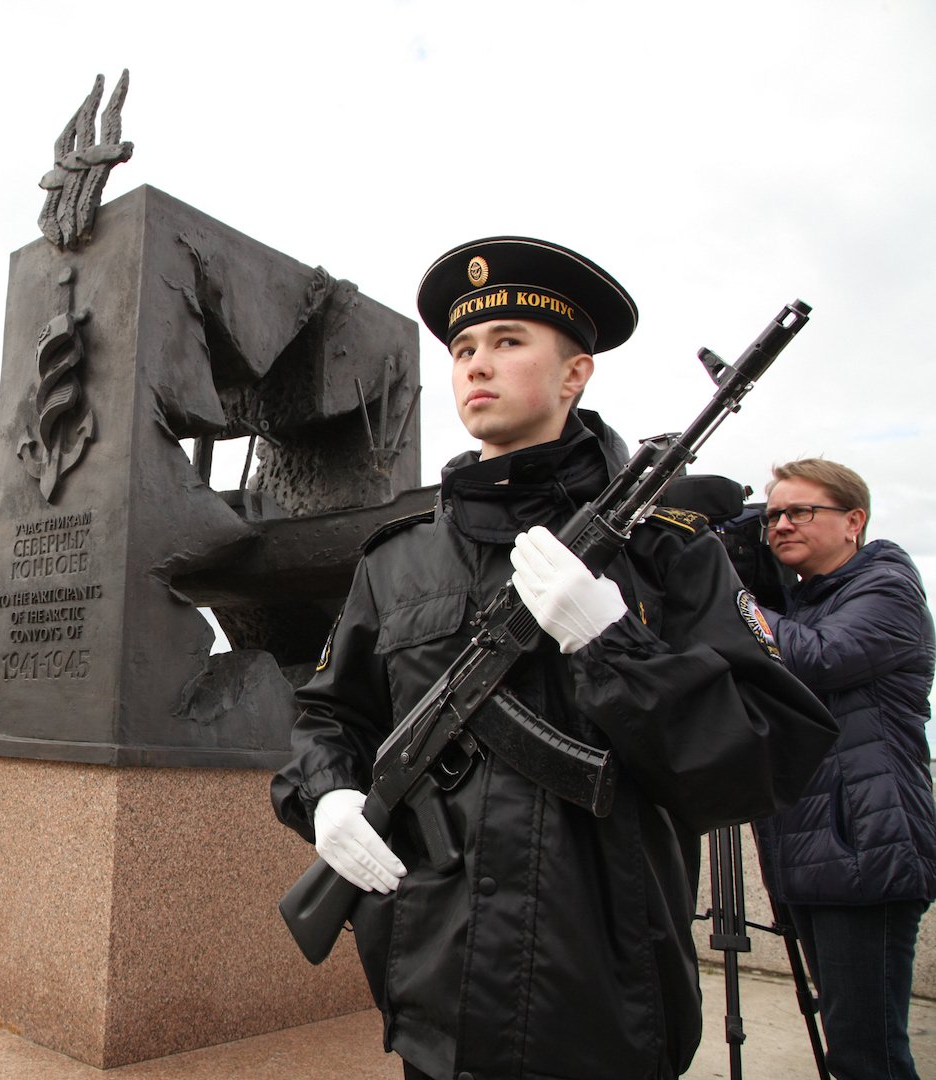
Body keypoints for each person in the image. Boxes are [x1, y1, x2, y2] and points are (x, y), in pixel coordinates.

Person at [270, 236, 838, 1080]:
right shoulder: (396, 560)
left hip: (604, 1002)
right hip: (434, 991)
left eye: (508, 342)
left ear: (576, 375)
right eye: (464, 349)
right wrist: (330, 795)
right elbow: (328, 714)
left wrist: (615, 647)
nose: (477, 366)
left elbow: (765, 757)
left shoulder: (667, 550)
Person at [752, 459, 936, 1080]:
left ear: (853, 520)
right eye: (773, 515)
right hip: (813, 850)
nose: (780, 525)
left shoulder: (885, 589)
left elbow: (817, 659)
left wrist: (727, 596)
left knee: (869, 1056)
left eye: (800, 511)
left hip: (867, 850)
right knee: (849, 1048)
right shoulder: (802, 602)